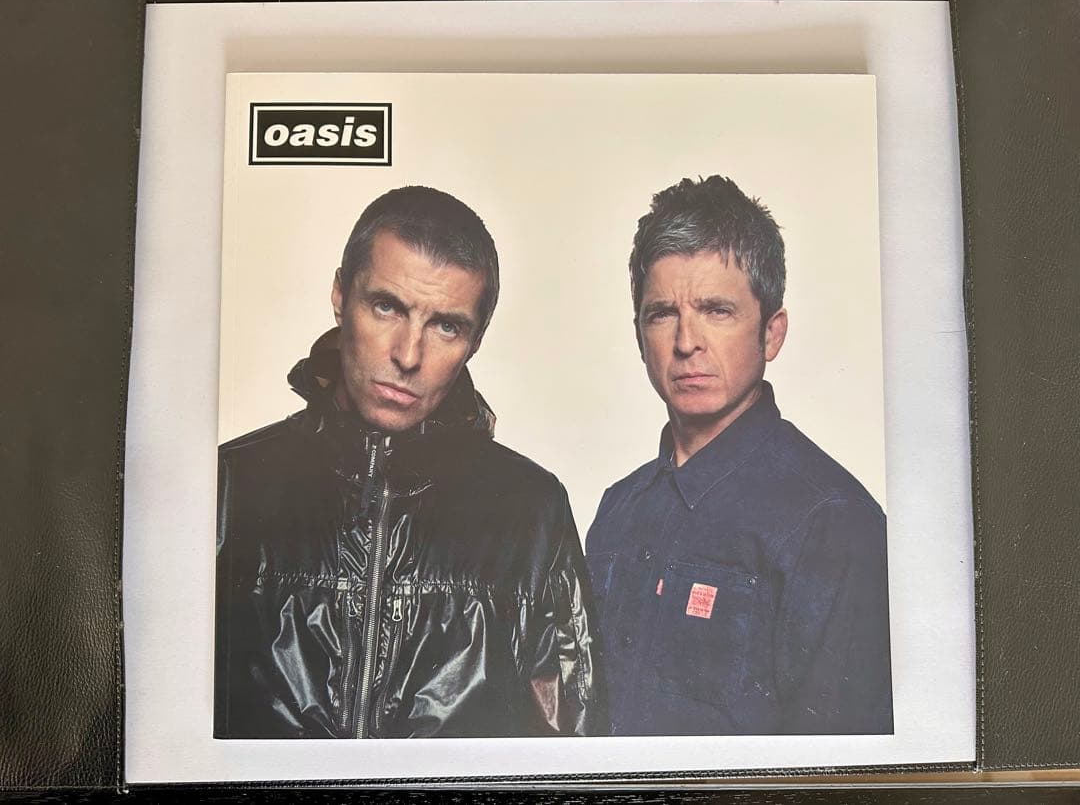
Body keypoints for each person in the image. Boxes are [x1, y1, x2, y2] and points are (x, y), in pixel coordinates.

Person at [215, 185, 604, 738]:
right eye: (386, 306)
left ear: (475, 341)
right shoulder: (229, 484)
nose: (407, 354)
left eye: (446, 325)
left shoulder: (531, 510)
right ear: (340, 294)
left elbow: (574, 750)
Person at [586, 175, 892, 735]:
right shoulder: (618, 509)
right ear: (639, 336)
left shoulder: (832, 522)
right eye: (662, 314)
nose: (686, 342)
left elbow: (842, 764)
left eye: (717, 311)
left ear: (771, 334)